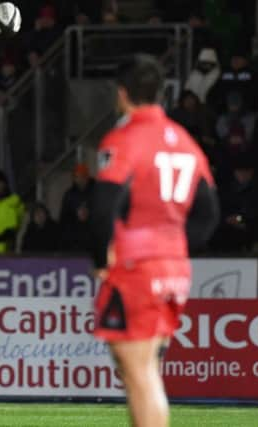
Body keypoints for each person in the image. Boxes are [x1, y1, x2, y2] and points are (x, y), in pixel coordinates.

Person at [89, 54, 219, 427]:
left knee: (137, 373)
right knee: (147, 370)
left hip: (137, 268)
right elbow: (209, 213)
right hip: (174, 269)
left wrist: (101, 259)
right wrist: (174, 247)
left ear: (123, 92)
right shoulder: (184, 140)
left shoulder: (125, 138)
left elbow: (102, 208)